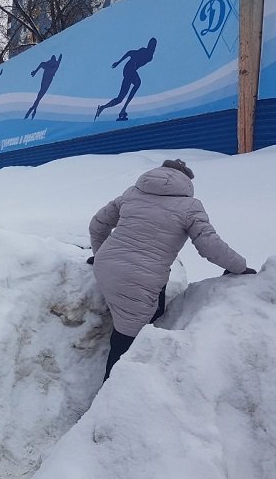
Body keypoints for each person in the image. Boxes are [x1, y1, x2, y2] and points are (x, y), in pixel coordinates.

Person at [88, 158, 255, 381]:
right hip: (138, 279)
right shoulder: (189, 207)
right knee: (125, 342)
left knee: (154, 303)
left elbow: (97, 225)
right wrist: (240, 267)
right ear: (186, 181)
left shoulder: (131, 194)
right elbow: (209, 244)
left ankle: (150, 327)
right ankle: (110, 394)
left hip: (107, 264)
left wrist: (99, 254)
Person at [95, 37, 157, 122]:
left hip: (130, 71)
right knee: (138, 83)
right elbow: (130, 53)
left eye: (153, 45)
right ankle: (123, 109)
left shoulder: (150, 57)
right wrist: (118, 62)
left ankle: (103, 107)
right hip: (129, 68)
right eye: (151, 45)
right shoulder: (144, 51)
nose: (152, 47)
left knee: (120, 99)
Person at [25, 54, 62, 120]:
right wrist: (35, 72)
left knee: (40, 95)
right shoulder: (50, 65)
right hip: (45, 80)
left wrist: (35, 71)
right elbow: (42, 64)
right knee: (40, 95)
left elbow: (59, 59)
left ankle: (33, 109)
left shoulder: (54, 65)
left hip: (47, 81)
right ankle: (33, 109)